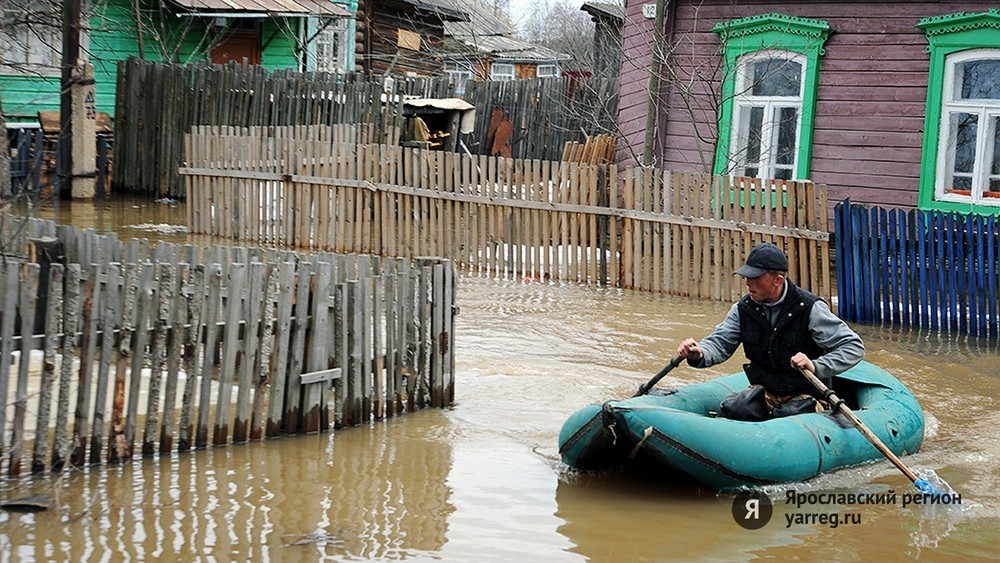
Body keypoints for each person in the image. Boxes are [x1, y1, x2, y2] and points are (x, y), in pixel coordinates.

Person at [676, 242, 865, 420]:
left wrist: (816, 366)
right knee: (735, 408)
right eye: (747, 277)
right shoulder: (743, 309)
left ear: (778, 280)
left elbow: (853, 347)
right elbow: (719, 343)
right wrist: (699, 353)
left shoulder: (810, 309)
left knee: (790, 416)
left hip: (805, 394)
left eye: (755, 278)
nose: (748, 283)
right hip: (765, 391)